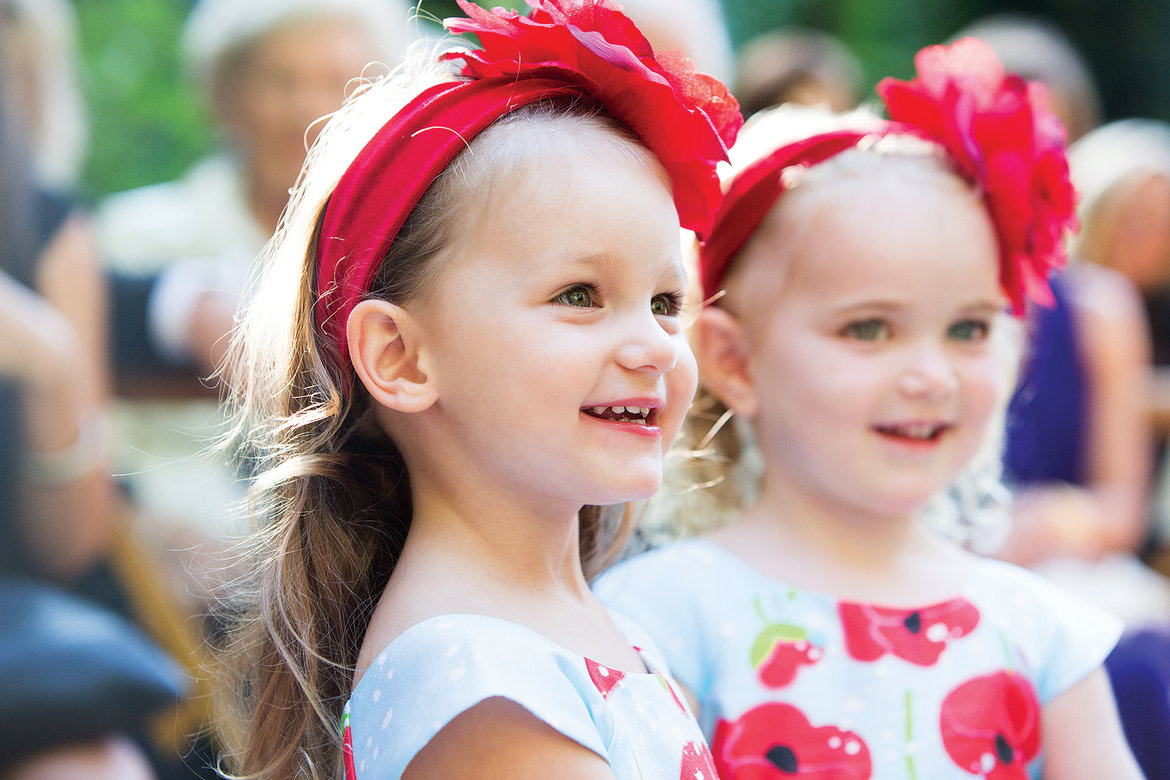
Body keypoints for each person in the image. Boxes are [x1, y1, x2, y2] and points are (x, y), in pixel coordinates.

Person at [210, 2, 742, 779]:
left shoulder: (574, 627)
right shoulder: (486, 687)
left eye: (665, 303)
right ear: (400, 357)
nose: (655, 346)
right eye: (580, 294)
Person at [596, 38, 1144, 779]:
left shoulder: (1043, 638)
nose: (930, 374)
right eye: (868, 328)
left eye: (968, 329)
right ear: (733, 359)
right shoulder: (663, 618)